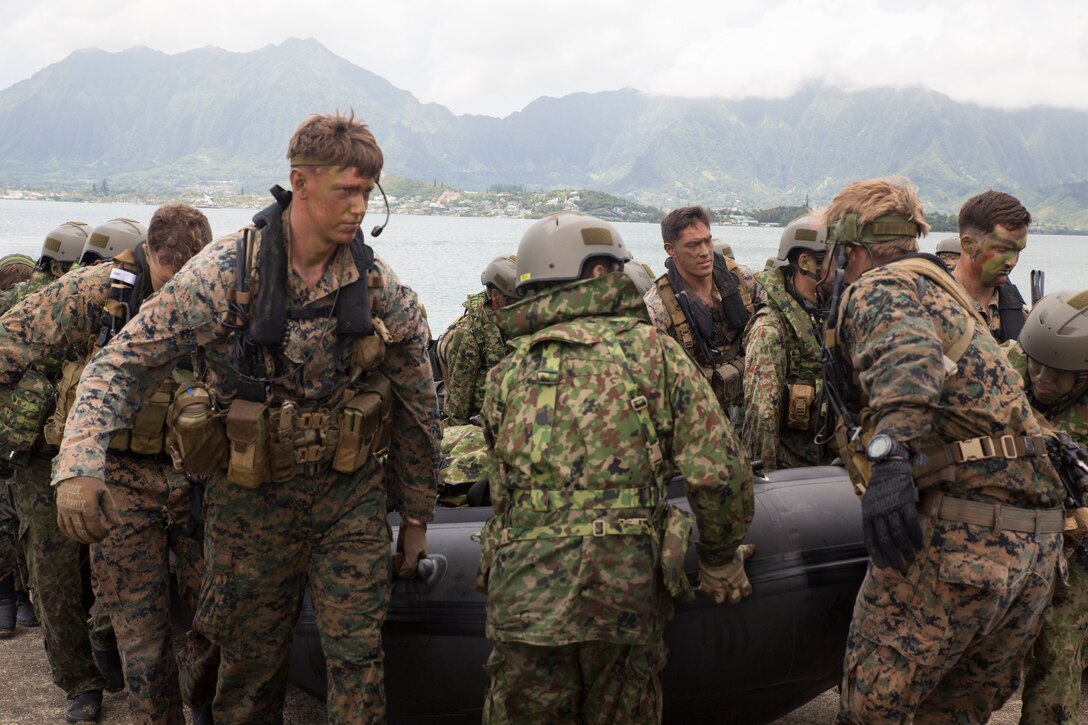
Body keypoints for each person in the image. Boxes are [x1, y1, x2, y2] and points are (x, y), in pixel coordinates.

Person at [52, 111, 440, 724]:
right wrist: (78, 463)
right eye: (346, 189)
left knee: (359, 661)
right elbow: (121, 364)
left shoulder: (373, 283)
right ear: (301, 182)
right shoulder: (223, 276)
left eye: (369, 191)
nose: (360, 207)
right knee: (250, 671)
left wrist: (416, 517)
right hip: (252, 500)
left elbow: (420, 399)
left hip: (349, 496)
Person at [478, 212, 755, 724]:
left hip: (523, 597)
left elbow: (503, 488)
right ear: (602, 275)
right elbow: (718, 470)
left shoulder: (506, 374)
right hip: (624, 594)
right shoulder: (656, 355)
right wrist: (718, 557)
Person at [820, 178, 1064, 723]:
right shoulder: (947, 295)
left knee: (872, 706)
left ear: (850, 248)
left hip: (963, 544)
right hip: (1031, 553)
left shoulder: (881, 288)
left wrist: (889, 458)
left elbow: (908, 361)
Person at [19, 204, 218, 724]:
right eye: (168, 277)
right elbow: (15, 334)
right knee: (142, 636)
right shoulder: (101, 290)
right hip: (123, 478)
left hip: (198, 478)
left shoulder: (224, 291)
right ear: (150, 255)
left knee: (217, 621)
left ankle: (203, 702)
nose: (177, 295)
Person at [0, 219, 147, 723]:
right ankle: (80, 682)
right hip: (44, 461)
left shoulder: (143, 309)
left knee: (118, 567)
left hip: (118, 459)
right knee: (54, 576)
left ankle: (103, 653)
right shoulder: (55, 304)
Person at [1004, 290, 1088, 725]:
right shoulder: (1010, 363)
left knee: (1056, 659)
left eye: (1058, 376)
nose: (1041, 379)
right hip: (1004, 536)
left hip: (1076, 549)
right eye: (1036, 365)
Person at [643, 206, 755, 418]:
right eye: (693, 245)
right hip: (697, 414)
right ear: (670, 249)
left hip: (747, 404)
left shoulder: (742, 281)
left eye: (707, 241)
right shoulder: (658, 309)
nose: (704, 252)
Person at [741, 215, 832, 471]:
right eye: (834, 260)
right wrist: (767, 482)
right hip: (790, 472)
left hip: (828, 465)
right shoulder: (771, 328)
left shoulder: (828, 314)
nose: (841, 268)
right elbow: (762, 416)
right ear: (805, 262)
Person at [438, 254, 521, 425]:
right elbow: (457, 408)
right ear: (496, 296)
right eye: (515, 301)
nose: (522, 307)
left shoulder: (519, 322)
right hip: (481, 422)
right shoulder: (469, 336)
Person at [951, 190, 1031, 342]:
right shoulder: (933, 309)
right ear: (968, 244)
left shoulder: (1019, 315)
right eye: (1003, 250)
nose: (1012, 262)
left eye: (1018, 251)